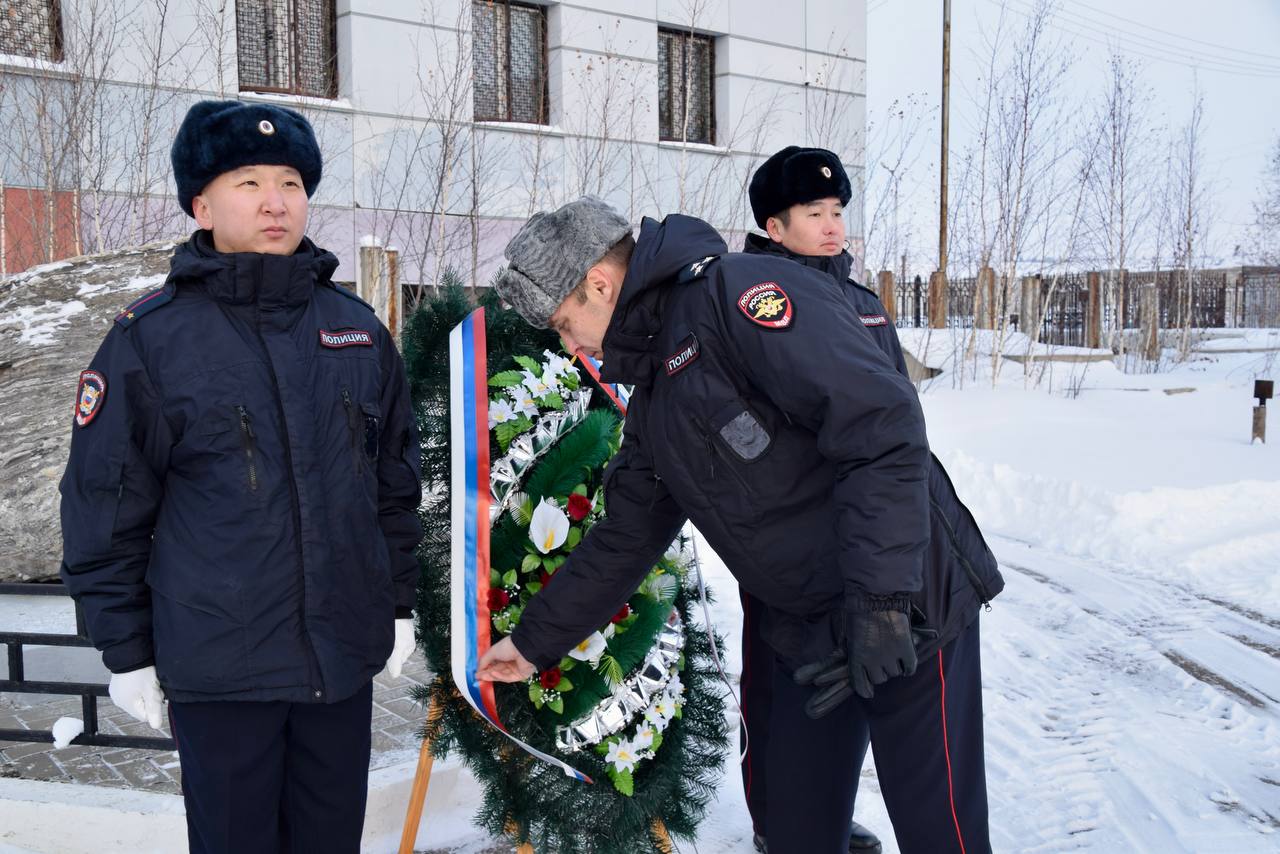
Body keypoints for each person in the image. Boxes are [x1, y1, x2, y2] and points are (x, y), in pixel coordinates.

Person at [477, 195, 1004, 854]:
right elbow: (626, 536)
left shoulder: (739, 298)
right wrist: (531, 644)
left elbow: (881, 426)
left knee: (940, 831)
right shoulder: (655, 391)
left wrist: (880, 602)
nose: (568, 344)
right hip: (810, 626)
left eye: (562, 323)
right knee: (794, 828)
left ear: (600, 284)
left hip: (908, 602)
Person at [59, 100, 423, 854]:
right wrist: (125, 648)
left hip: (339, 663)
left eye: (289, 181)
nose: (274, 201)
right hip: (222, 669)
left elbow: (393, 484)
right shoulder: (151, 341)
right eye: (248, 181)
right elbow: (104, 506)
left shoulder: (354, 329)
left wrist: (397, 602)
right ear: (202, 202)